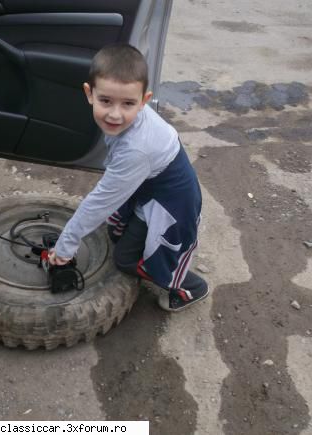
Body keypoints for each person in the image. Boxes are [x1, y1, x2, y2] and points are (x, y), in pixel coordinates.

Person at [49, 43, 208, 312]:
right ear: (90, 93)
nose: (114, 114)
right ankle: (136, 231)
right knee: (115, 231)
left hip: (170, 202)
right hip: (147, 186)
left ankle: (191, 287)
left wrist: (65, 246)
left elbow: (99, 202)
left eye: (128, 104)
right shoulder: (130, 124)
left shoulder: (137, 150)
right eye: (106, 101)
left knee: (124, 260)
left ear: (144, 101)